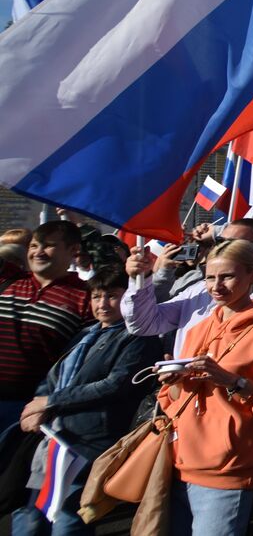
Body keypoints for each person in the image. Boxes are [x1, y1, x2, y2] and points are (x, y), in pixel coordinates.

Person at [158, 239, 253, 536]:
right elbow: (172, 401)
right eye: (210, 277)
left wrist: (232, 381)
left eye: (227, 276)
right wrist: (172, 381)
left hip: (228, 467)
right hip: (179, 461)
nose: (216, 286)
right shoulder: (199, 328)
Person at [10, 267, 161, 536]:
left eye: (112, 296)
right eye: (96, 296)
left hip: (89, 442)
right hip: (54, 436)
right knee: (32, 513)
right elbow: (54, 375)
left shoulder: (138, 337)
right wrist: (38, 405)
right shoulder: (85, 334)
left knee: (67, 518)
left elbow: (115, 385)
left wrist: (51, 402)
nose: (102, 304)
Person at [123, 218, 253, 358]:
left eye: (227, 277)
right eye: (220, 241)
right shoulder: (198, 289)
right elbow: (144, 323)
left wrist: (215, 231)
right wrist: (140, 279)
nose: (216, 287)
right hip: (185, 389)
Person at [0, 220, 92, 428]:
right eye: (33, 245)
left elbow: (81, 360)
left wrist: (47, 402)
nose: (38, 252)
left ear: (74, 249)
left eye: (49, 245)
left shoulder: (86, 298)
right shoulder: (9, 277)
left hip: (24, 408)